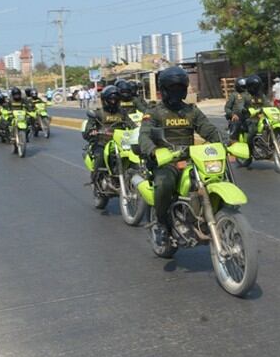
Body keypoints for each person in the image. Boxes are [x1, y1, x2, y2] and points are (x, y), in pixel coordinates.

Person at [139, 66, 221, 241]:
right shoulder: (154, 112)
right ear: (165, 90)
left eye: (180, 88)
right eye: (173, 88)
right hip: (166, 162)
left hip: (191, 160)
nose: (177, 92)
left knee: (216, 176)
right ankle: (162, 224)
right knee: (164, 184)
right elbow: (144, 135)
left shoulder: (191, 111)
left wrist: (226, 141)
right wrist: (153, 151)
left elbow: (208, 129)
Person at [82, 85, 134, 178]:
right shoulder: (98, 113)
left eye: (115, 100)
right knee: (100, 156)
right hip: (102, 142)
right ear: (105, 100)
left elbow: (131, 124)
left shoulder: (122, 113)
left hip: (120, 142)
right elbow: (88, 129)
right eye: (111, 100)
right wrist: (92, 131)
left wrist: (137, 130)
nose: (113, 102)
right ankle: (96, 177)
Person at [235, 74, 267, 155]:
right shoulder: (244, 95)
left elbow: (268, 104)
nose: (256, 88)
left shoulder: (261, 95)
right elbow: (239, 105)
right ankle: (249, 149)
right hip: (249, 118)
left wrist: (277, 107)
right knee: (253, 129)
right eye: (255, 86)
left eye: (258, 86)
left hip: (261, 117)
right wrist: (244, 109)